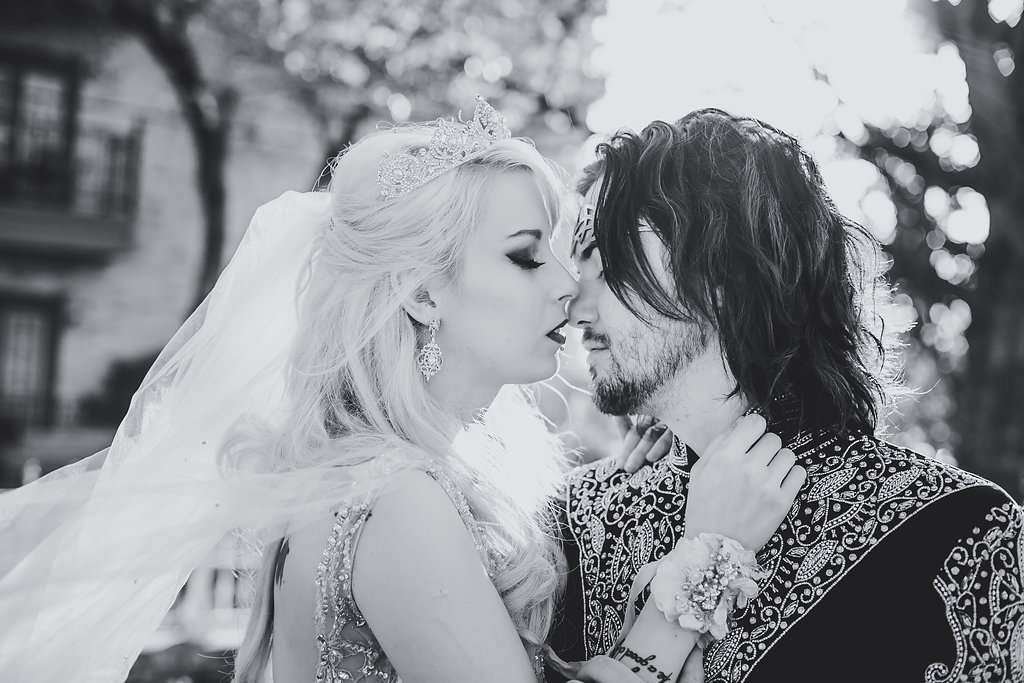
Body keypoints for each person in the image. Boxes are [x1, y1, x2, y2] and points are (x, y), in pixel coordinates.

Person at [0, 99, 803, 683]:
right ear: (421, 293)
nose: (568, 284)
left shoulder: (385, 478)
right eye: (527, 256)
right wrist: (707, 554)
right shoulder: (394, 500)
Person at [546, 109, 1024, 683]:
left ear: (720, 270)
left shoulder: (961, 533)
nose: (574, 309)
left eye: (609, 262)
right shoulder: (567, 527)